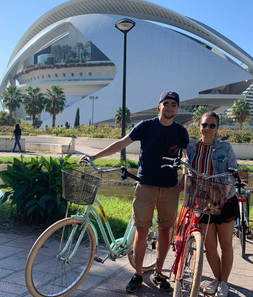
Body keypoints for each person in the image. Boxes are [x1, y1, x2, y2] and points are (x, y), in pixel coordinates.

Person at [80, 91, 189, 293]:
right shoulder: (146, 126)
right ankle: (138, 273)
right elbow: (121, 143)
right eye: (166, 103)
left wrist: (185, 177)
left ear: (177, 108)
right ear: (159, 106)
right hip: (145, 186)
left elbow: (186, 157)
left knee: (166, 231)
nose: (169, 107)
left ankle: (158, 272)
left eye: (173, 104)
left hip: (170, 190)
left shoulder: (181, 132)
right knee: (142, 230)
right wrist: (95, 155)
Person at [186, 111, 240, 297]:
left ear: (217, 128)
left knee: (225, 243)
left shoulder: (225, 147)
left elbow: (234, 169)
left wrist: (232, 175)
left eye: (212, 125)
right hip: (203, 201)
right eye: (204, 125)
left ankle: (224, 283)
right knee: (209, 246)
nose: (207, 128)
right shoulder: (192, 147)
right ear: (199, 126)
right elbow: (188, 169)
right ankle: (217, 279)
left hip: (224, 200)